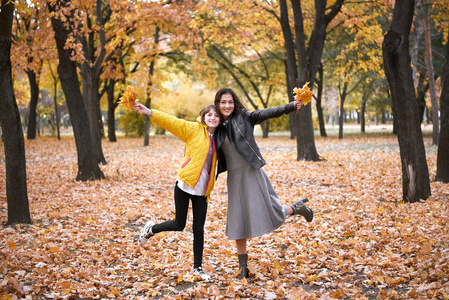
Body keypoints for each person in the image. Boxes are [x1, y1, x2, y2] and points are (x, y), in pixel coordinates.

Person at [214, 88, 314, 280]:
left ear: (234, 103)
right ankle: (242, 268)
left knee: (272, 211)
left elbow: (268, 112)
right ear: (218, 104)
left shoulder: (244, 117)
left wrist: (291, 106)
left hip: (252, 171)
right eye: (223, 102)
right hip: (234, 179)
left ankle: (295, 208)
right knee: (237, 221)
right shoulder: (217, 127)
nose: (227, 105)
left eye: (230, 102)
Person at [134, 102, 220, 281]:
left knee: (199, 229)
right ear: (203, 117)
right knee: (179, 224)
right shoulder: (193, 129)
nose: (213, 118)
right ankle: (151, 229)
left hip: (203, 190)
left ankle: (198, 268)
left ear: (220, 120)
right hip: (184, 184)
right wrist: (149, 112)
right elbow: (171, 121)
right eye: (209, 114)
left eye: (216, 115)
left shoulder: (220, 137)